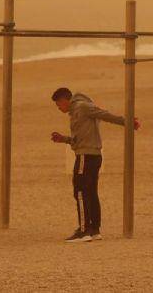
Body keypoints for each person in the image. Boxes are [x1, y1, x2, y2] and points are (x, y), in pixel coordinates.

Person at [50, 87, 140, 243]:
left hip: (86, 156)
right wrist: (63, 139)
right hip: (91, 155)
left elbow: (104, 114)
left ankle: (84, 231)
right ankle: (94, 230)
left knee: (79, 191)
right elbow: (79, 139)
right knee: (90, 192)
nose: (59, 108)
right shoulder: (78, 110)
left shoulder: (81, 107)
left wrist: (127, 121)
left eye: (58, 105)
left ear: (64, 100)